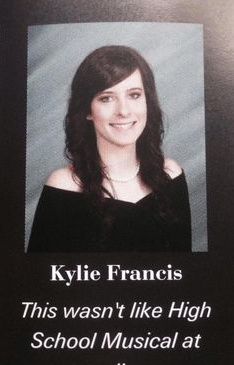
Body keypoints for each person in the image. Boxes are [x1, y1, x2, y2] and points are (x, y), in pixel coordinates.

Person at [28, 45, 191, 252]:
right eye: (106, 98)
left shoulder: (170, 175)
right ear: (87, 110)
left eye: (134, 95)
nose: (123, 111)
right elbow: (36, 281)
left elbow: (186, 275)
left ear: (147, 102)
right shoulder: (63, 186)